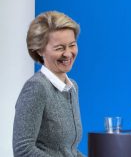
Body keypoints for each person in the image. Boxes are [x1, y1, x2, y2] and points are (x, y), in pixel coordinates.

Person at [13, 11, 84, 157]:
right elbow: (23, 150)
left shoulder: (72, 87)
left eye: (72, 45)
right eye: (59, 48)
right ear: (40, 50)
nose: (68, 53)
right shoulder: (37, 87)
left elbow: (68, 150)